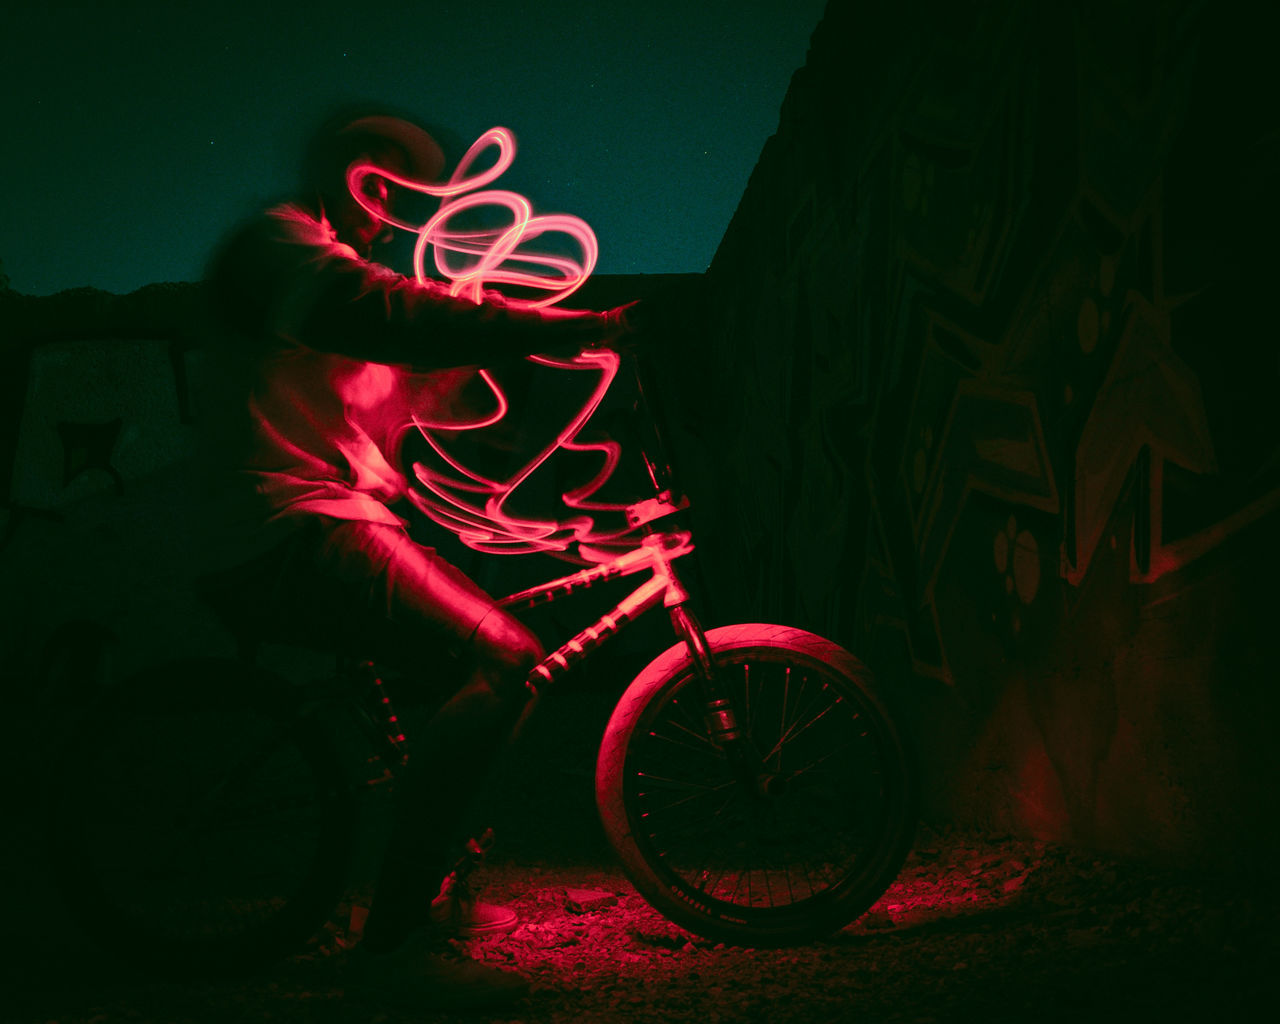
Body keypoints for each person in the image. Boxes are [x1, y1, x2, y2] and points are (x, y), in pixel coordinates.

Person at [205, 106, 634, 1009]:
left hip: (339, 518)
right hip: (285, 525)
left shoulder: (339, 271)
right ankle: (391, 945)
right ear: (347, 171)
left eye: (404, 178)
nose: (392, 195)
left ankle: (435, 891)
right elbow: (389, 316)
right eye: (381, 172)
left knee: (474, 669)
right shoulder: (280, 249)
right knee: (505, 656)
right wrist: (550, 326)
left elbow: (423, 375)